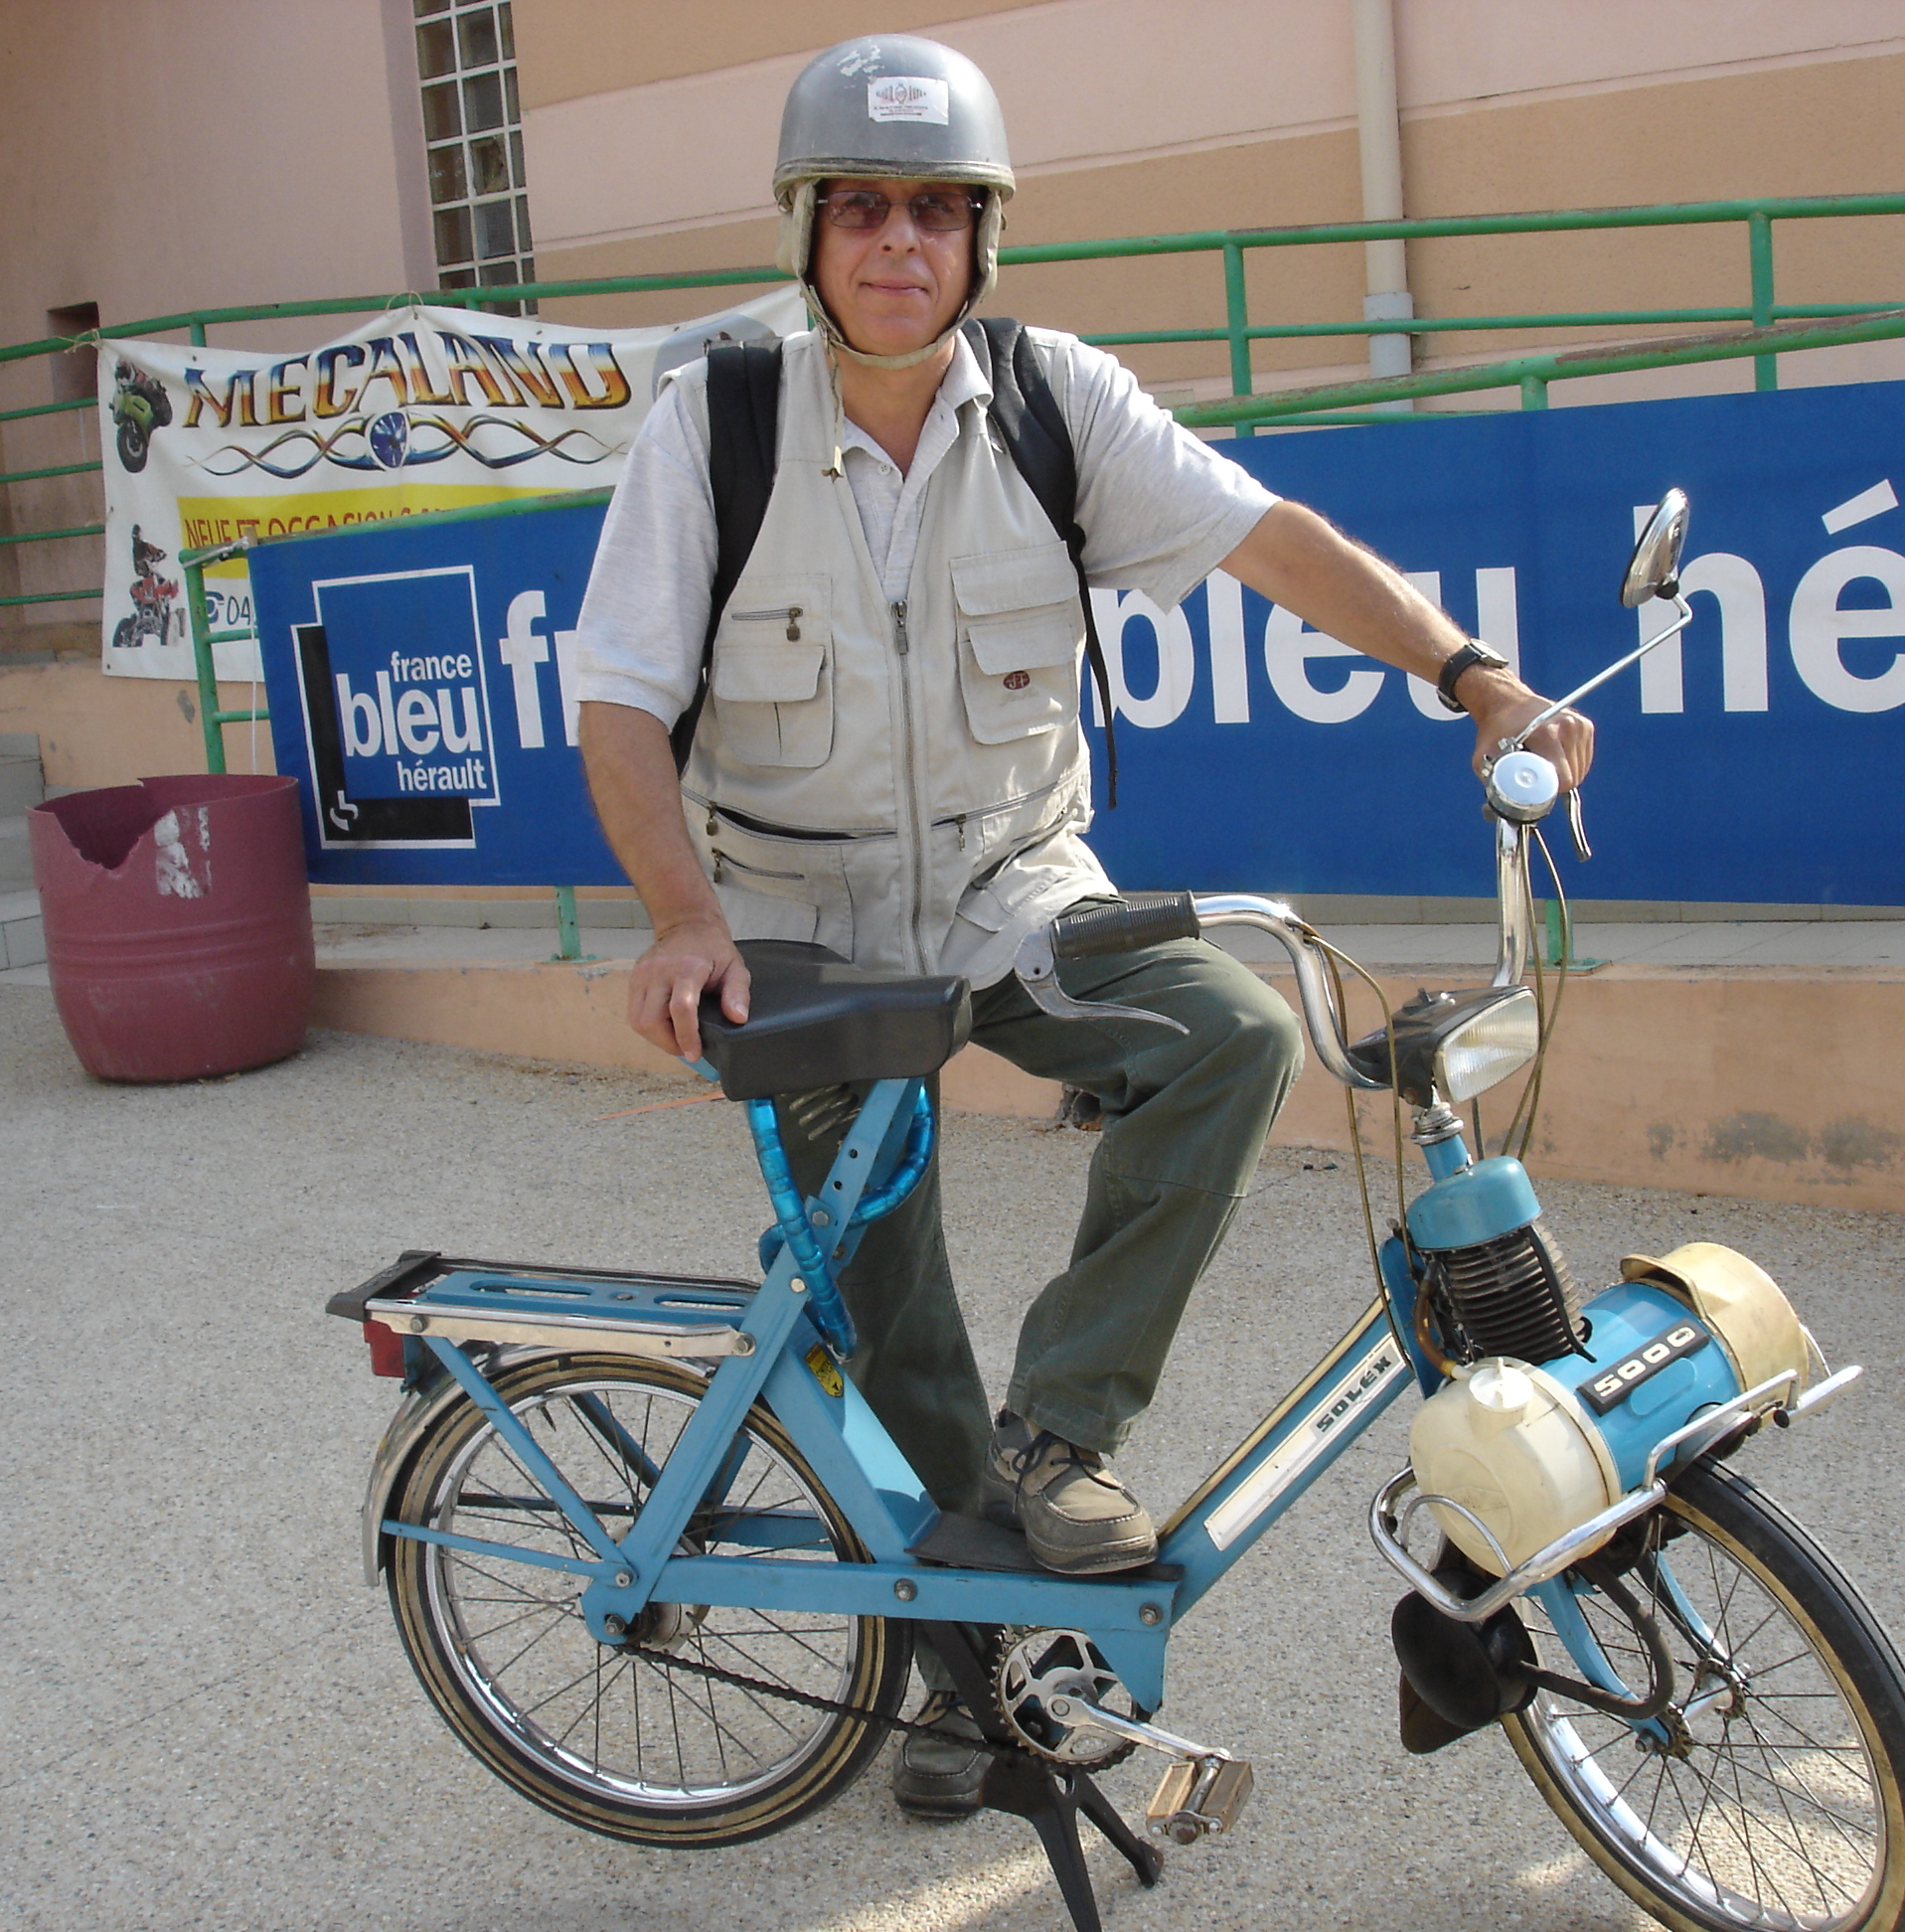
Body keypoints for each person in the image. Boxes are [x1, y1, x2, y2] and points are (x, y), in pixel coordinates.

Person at [571, 34, 1593, 1816]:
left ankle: (1065, 1427)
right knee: (887, 1305)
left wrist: (1470, 674)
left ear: (984, 236)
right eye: (862, 207)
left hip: (1015, 888)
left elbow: (1268, 538)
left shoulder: (1055, 402)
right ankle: (977, 1682)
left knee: (1233, 1034)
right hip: (798, 921)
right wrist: (679, 917)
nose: (900, 241)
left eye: (937, 210)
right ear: (809, 230)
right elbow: (618, 701)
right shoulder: (714, 424)